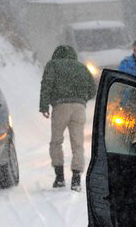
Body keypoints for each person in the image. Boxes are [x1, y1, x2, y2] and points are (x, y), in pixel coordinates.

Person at [39, 45, 95, 190]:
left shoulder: (53, 65)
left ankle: (59, 178)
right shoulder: (81, 67)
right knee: (78, 144)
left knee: (56, 141)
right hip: (79, 108)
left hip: (60, 107)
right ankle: (76, 179)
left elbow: (46, 85)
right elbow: (92, 88)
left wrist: (44, 106)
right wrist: (82, 99)